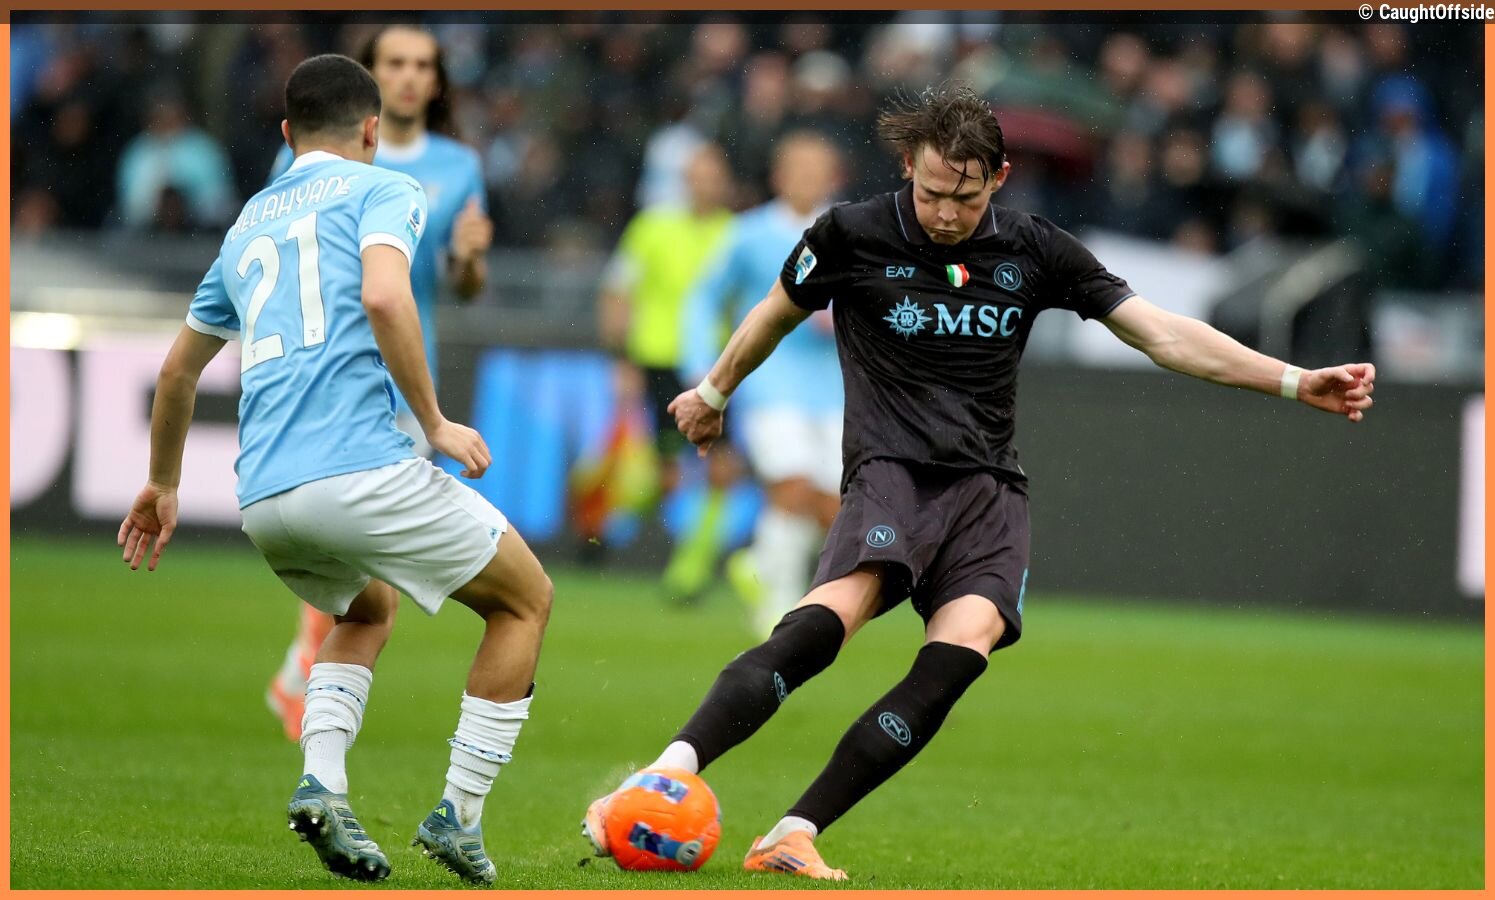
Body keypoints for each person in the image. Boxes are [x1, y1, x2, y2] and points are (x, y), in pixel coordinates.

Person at [582, 83, 1375, 881]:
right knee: (829, 624)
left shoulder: (1034, 249)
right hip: (892, 471)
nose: (944, 214)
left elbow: (1161, 334)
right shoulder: (849, 233)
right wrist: (713, 393)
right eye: (930, 192)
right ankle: (665, 772)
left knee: (960, 654)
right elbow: (772, 313)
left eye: (964, 198)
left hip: (990, 489)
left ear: (997, 178)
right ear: (908, 166)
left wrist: (1292, 380)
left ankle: (794, 831)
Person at [117, 54, 550, 885]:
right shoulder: (385, 188)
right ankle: (459, 818)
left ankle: (323, 783)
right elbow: (386, 295)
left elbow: (177, 371)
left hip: (264, 496)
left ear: (287, 133)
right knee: (524, 601)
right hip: (358, 470)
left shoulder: (248, 222)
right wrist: (434, 422)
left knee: (367, 607)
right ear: (371, 130)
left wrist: (163, 484)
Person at [264, 25, 494, 743]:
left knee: (364, 557)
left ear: (437, 80)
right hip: (326, 370)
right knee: (357, 547)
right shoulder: (309, 154)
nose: (410, 76)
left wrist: (468, 260)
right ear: (368, 76)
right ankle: (309, 673)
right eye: (395, 63)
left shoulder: (459, 165)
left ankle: (304, 671)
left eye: (423, 65)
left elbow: (462, 286)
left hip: (404, 374)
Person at [678, 132, 845, 638]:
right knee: (792, 485)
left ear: (833, 178)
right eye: (799, 170)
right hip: (769, 383)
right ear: (778, 175)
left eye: (817, 171)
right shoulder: (749, 234)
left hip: (837, 388)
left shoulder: (851, 232)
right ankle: (777, 608)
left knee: (833, 509)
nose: (808, 180)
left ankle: (758, 563)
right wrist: (700, 367)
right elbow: (704, 297)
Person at [597, 143, 739, 603]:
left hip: (718, 365)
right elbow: (619, 290)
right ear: (685, 181)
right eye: (698, 176)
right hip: (659, 360)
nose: (705, 185)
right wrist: (621, 358)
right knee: (668, 475)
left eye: (714, 177)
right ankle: (608, 524)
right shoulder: (652, 227)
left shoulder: (736, 233)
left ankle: (690, 570)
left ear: (725, 184)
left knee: (722, 468)